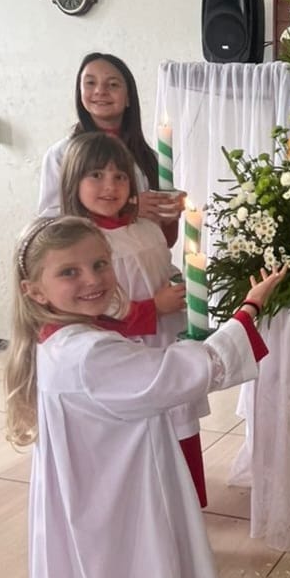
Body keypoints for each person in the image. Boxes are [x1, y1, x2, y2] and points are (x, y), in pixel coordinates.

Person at [5, 215, 285, 578]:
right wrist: (249, 312)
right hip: (114, 519)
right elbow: (182, 374)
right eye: (69, 272)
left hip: (98, 506)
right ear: (34, 291)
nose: (92, 279)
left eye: (99, 264)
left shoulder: (65, 341)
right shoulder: (87, 353)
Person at [60, 131, 211, 507]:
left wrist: (183, 286)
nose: (109, 186)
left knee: (178, 423)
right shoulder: (83, 244)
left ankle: (185, 507)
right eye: (96, 175)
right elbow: (94, 314)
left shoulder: (146, 228)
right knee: (142, 435)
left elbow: (161, 268)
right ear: (73, 180)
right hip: (129, 350)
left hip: (165, 341)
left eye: (120, 176)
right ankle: (149, 509)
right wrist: (152, 307)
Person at [38, 52, 182, 243]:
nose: (100, 90)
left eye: (113, 84)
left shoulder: (151, 159)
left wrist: (169, 211)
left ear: (128, 97)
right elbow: (50, 227)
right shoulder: (62, 154)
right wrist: (127, 208)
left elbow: (165, 241)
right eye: (90, 83)